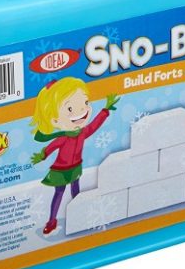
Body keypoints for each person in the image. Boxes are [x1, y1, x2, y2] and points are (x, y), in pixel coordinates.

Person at [30, 77, 120, 235]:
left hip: (76, 167)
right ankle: (52, 221)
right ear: (55, 120)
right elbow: (51, 147)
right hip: (60, 170)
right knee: (59, 192)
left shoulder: (82, 133)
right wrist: (42, 156)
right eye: (70, 109)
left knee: (76, 190)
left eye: (85, 103)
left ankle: (78, 213)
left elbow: (94, 125)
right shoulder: (63, 137)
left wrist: (105, 110)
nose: (81, 111)